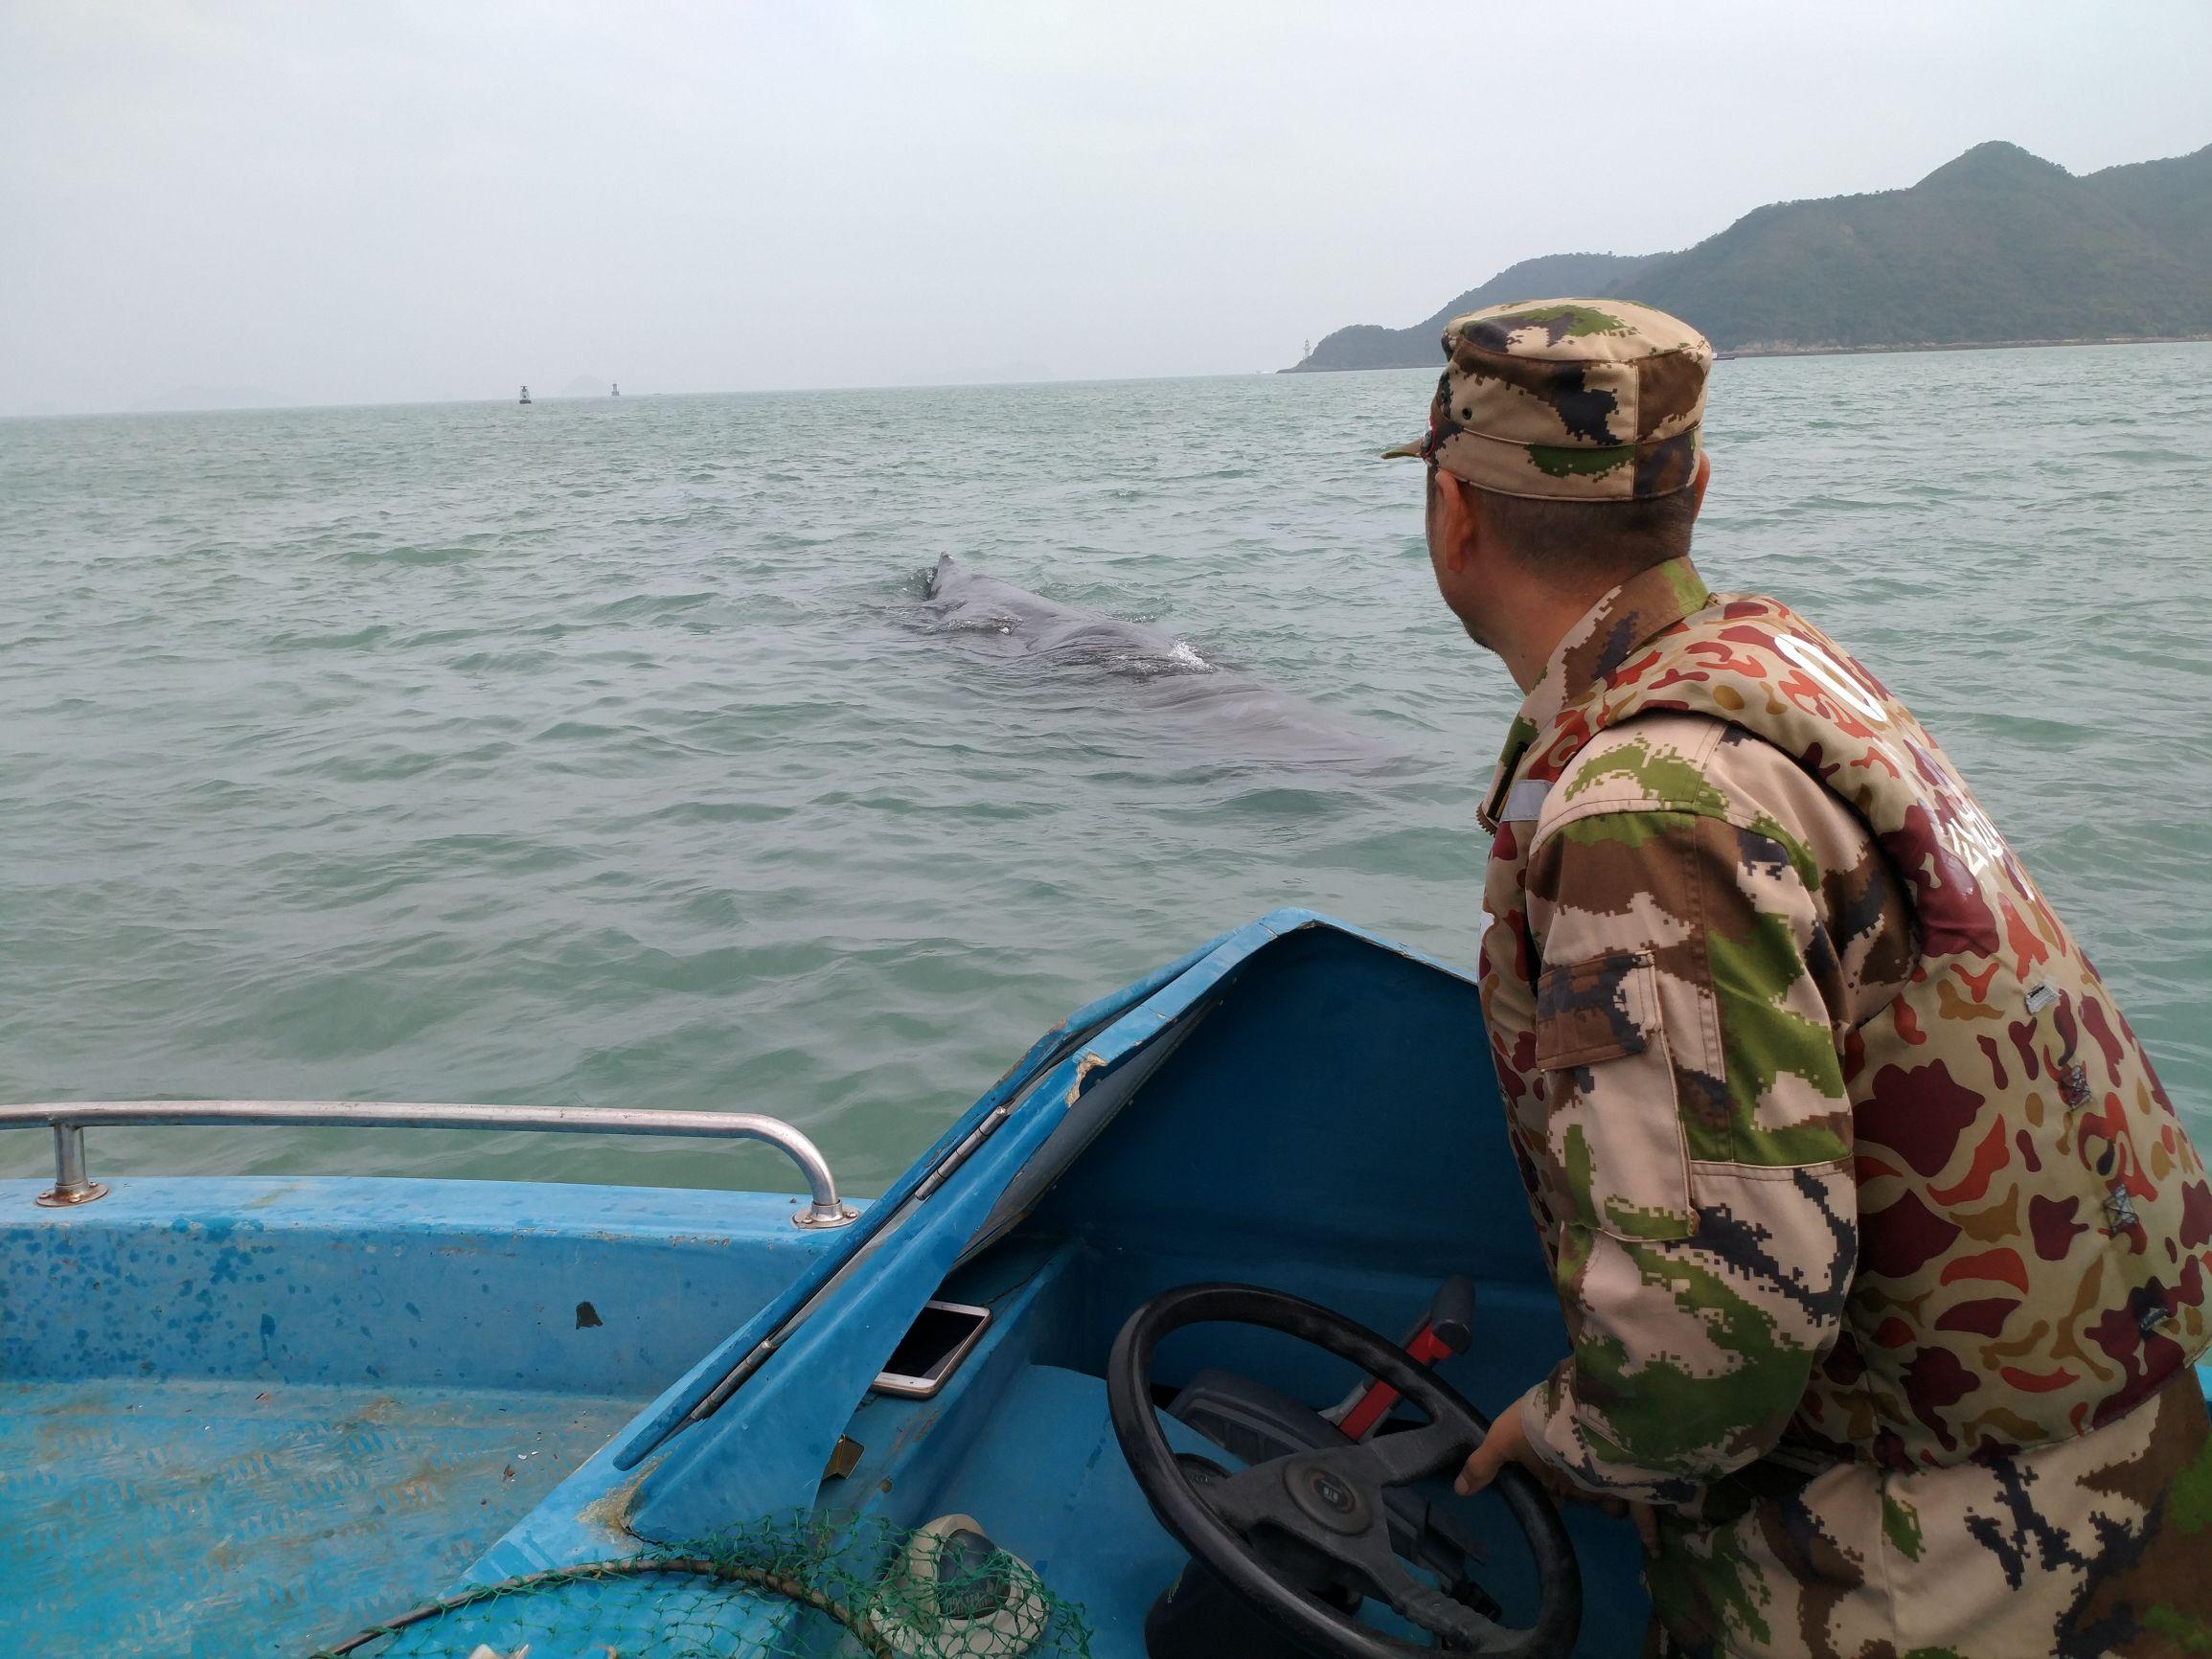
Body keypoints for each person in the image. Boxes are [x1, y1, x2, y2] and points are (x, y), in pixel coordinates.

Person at [1393, 298, 2212, 1656]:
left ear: (1449, 513)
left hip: (1941, 1559)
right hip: (2119, 1456)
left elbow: (1715, 1319)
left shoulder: (1639, 807)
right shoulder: (1778, 671)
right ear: (1694, 490)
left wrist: (1565, 1435)